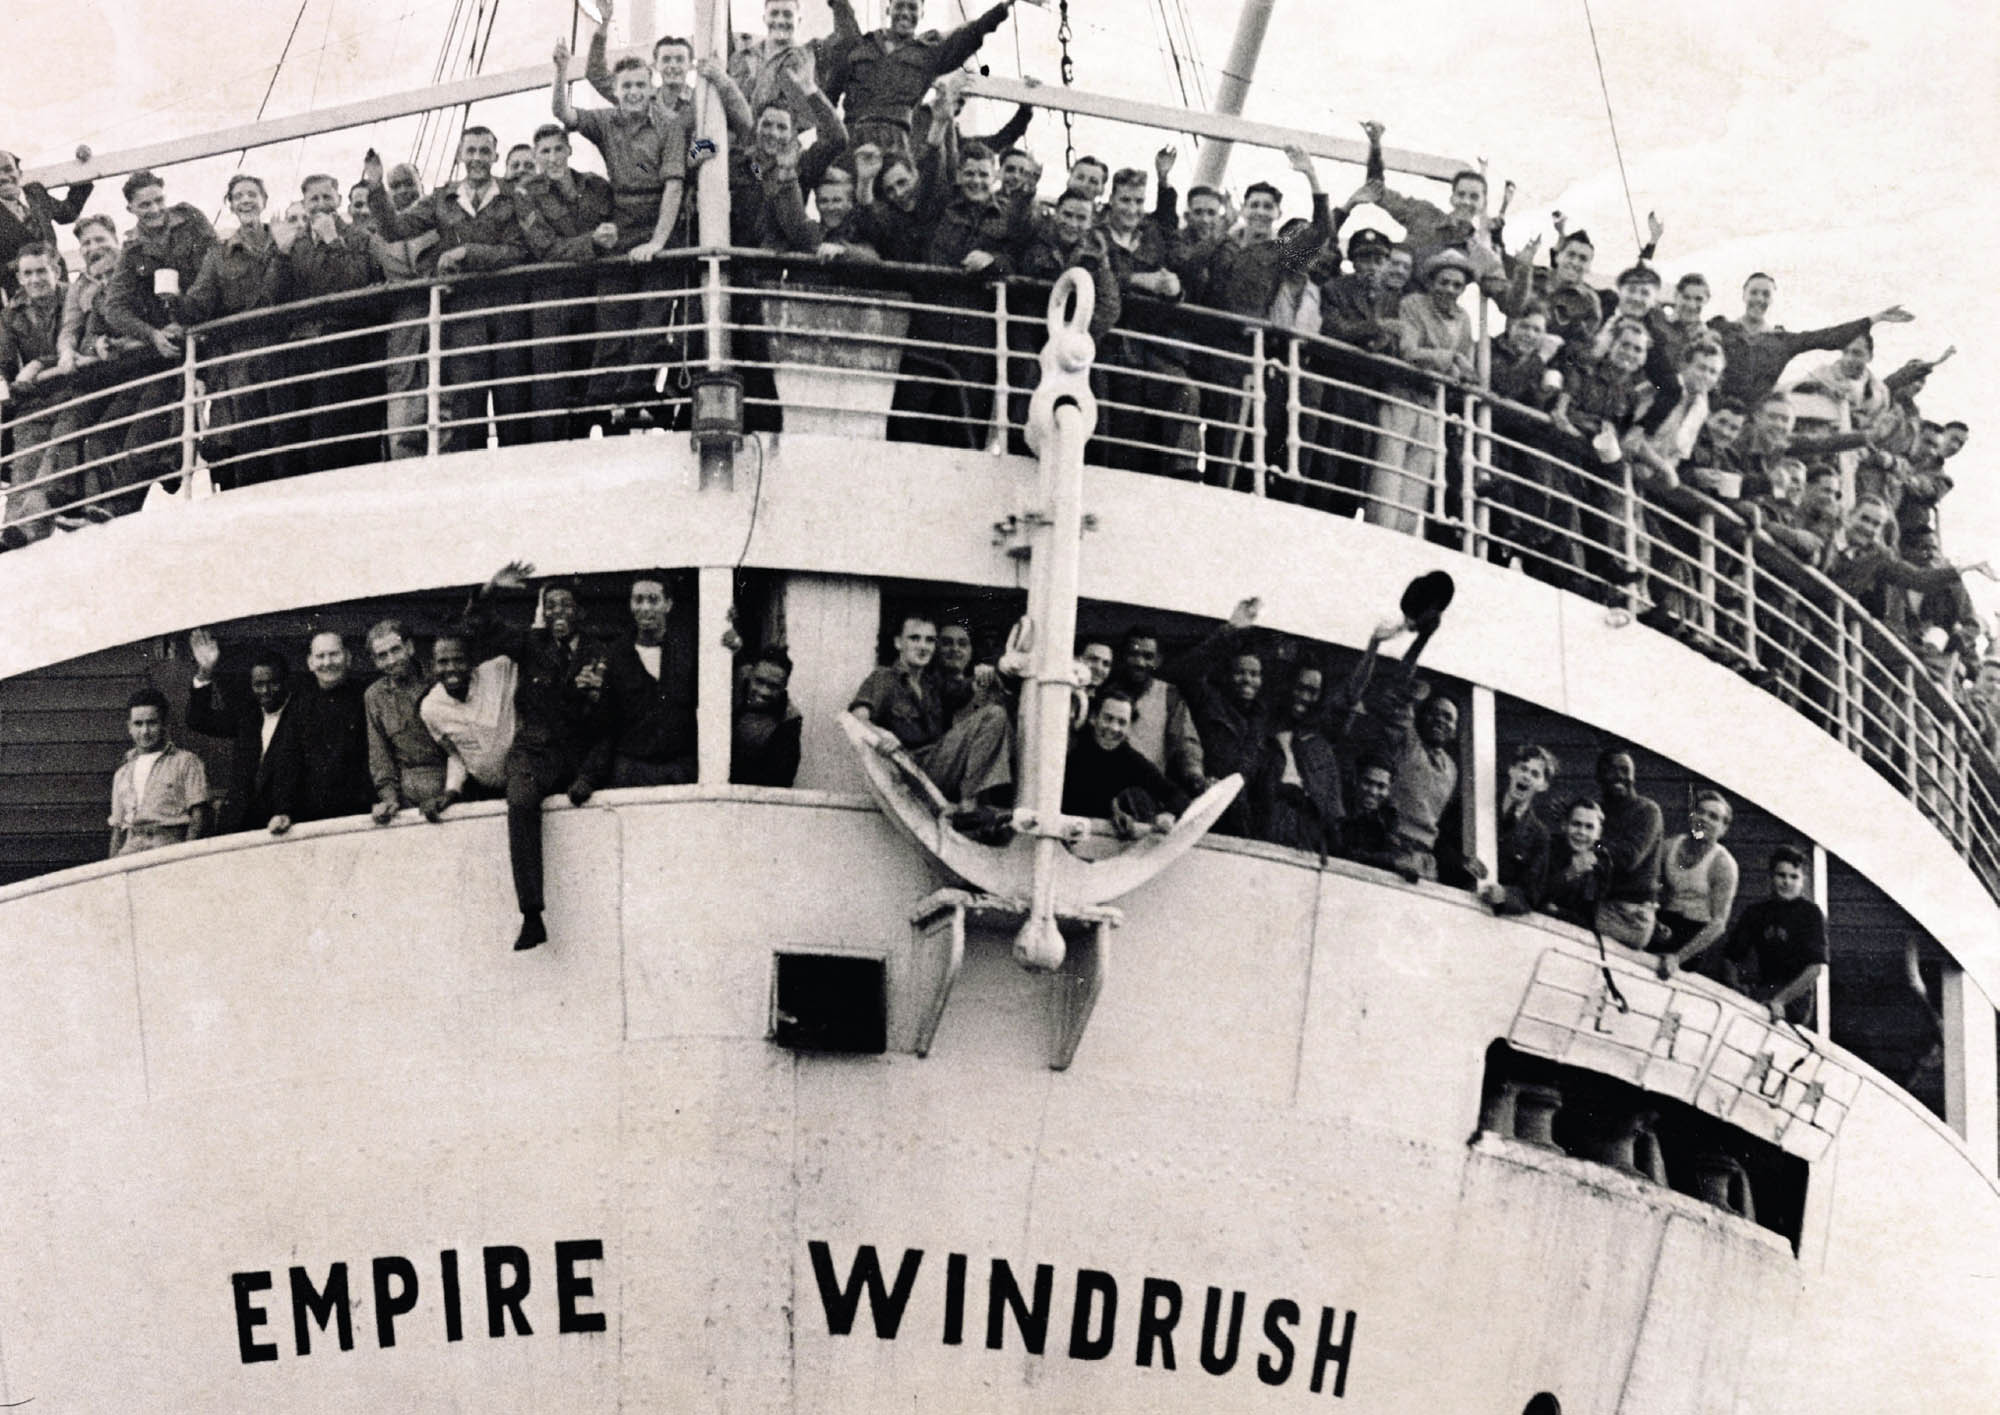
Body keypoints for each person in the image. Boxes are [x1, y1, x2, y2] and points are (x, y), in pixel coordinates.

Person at [360, 129, 533, 451]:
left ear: (496, 156)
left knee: (514, 409)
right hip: (463, 321)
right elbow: (394, 230)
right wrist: (375, 188)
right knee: (467, 415)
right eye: (471, 151)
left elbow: (520, 250)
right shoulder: (442, 199)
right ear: (460, 155)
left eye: (485, 151)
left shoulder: (514, 196)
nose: (477, 158)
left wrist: (467, 252)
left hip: (508, 317)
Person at [457, 564, 599, 952]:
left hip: (577, 753)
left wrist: (593, 698)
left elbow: (606, 720)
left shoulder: (599, 650)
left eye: (566, 605)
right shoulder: (530, 646)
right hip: (533, 752)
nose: (558, 613)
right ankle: (532, 915)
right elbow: (479, 627)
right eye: (550, 606)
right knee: (519, 801)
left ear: (579, 612)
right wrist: (489, 591)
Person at [98, 169, 218, 508]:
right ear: (131, 209)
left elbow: (213, 265)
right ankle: (118, 506)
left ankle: (167, 471)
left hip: (206, 332)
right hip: (172, 348)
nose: (154, 210)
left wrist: (185, 312)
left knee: (183, 410)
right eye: (144, 205)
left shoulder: (191, 219)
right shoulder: (133, 250)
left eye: (158, 201)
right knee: (145, 422)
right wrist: (151, 334)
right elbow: (113, 307)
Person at [180, 174, 288, 490]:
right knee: (250, 440)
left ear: (264, 201)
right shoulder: (219, 255)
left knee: (284, 433)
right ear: (230, 205)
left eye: (252, 194)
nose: (245, 201)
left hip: (283, 350)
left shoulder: (285, 240)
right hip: (243, 360)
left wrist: (283, 250)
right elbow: (199, 303)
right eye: (238, 196)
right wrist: (173, 303)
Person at [850, 610, 1014, 814]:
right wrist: (881, 734)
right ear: (898, 643)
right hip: (906, 772)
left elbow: (967, 688)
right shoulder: (884, 678)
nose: (922, 646)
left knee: (994, 714)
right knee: (993, 715)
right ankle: (969, 806)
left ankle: (970, 804)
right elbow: (857, 719)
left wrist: (986, 673)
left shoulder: (932, 684)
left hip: (933, 771)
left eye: (929, 640)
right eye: (914, 638)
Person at [513, 123, 618, 440]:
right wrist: (593, 243)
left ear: (569, 150)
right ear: (536, 156)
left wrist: (611, 235)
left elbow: (617, 222)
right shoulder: (526, 194)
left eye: (559, 149)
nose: (553, 157)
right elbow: (544, 247)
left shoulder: (597, 186)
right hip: (552, 302)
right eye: (545, 152)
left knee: (594, 381)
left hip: (594, 297)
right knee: (552, 388)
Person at [276, 173, 384, 476]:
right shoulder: (297, 244)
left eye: (327, 197)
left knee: (336, 443)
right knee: (303, 441)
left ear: (338, 200)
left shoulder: (361, 238)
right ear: (305, 203)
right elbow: (276, 295)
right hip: (305, 353)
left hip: (348, 349)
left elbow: (355, 284)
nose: (321, 204)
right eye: (314, 199)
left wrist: (334, 242)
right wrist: (280, 254)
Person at [1368, 248, 1476, 533]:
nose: (1449, 289)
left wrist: (1457, 367)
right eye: (1444, 282)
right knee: (1388, 473)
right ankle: (1378, 533)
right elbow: (1409, 351)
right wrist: (1449, 359)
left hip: (1433, 403)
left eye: (1457, 285)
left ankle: (1400, 540)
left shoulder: (1463, 320)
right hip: (1403, 395)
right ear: (1431, 282)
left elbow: (1468, 366)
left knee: (1418, 480)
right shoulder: (1413, 305)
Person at [825, 0, 1017, 160]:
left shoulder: (928, 55)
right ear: (888, 8)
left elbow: (971, 34)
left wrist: (1004, 6)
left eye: (912, 7)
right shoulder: (860, 46)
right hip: (854, 138)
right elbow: (842, 12)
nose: (905, 13)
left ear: (922, 13)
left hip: (897, 145)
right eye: (899, 5)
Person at [1706, 272, 1913, 406]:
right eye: (1754, 292)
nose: (1759, 299)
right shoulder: (1721, 328)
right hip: (1714, 408)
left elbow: (1826, 337)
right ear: (1744, 295)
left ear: (1772, 300)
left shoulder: (1782, 341)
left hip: (1755, 415)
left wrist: (1875, 319)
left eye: (1766, 294)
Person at [574, 574, 700, 790]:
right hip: (632, 771)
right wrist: (588, 777)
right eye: (638, 600)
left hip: (680, 770)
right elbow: (606, 724)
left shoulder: (689, 652)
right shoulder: (616, 656)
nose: (645, 608)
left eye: (653, 600)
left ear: (668, 605)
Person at [1162, 597, 1267, 834]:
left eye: (1254, 674)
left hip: (1237, 816)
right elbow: (1183, 673)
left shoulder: (1259, 719)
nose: (1247, 680)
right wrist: (1229, 632)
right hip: (1198, 804)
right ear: (1228, 675)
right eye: (1240, 672)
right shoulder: (1209, 700)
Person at [185, 632, 299, 834]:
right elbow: (198, 720)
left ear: (286, 682)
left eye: (273, 683)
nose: (265, 691)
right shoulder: (249, 717)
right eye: (258, 685)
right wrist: (205, 671)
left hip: (283, 824)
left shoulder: (300, 717)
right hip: (239, 824)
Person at [264, 632, 374, 835]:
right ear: (310, 662)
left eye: (334, 654)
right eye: (320, 656)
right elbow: (288, 761)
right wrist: (283, 810)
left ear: (348, 658)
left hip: (364, 815)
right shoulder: (299, 705)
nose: (327, 662)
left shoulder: (368, 696)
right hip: (313, 818)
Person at [1714, 845, 1828, 1026]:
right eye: (1781, 875)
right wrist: (1734, 986)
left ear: (1803, 880)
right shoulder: (1756, 912)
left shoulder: (1810, 913)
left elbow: (1815, 968)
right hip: (1763, 988)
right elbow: (1730, 956)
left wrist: (1780, 1001)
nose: (1787, 882)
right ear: (1771, 877)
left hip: (1795, 997)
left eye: (1794, 877)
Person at [1, 243, 70, 539]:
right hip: (35, 403)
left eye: (41, 271)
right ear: (19, 278)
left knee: (49, 467)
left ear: (55, 270)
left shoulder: (73, 297)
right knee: (23, 472)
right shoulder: (11, 314)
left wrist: (39, 363)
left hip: (73, 394)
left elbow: (79, 343)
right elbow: (3, 361)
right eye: (27, 273)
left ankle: (27, 532)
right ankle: (8, 536)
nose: (35, 279)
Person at [1245, 659, 1346, 858]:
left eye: (1312, 691)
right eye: (1299, 687)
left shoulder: (1321, 748)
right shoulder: (1260, 731)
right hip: (1260, 836)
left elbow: (1332, 812)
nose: (1304, 697)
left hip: (1306, 845)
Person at [1061, 686, 1188, 839]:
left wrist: (1168, 814)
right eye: (1108, 719)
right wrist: (1112, 809)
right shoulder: (1071, 748)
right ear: (1093, 718)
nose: (1114, 728)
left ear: (1129, 728)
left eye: (1122, 722)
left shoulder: (1130, 760)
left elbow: (1178, 796)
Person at [418, 629, 518, 820]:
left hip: (524, 781)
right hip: (484, 791)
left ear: (472, 662)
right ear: (432, 666)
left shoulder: (498, 671)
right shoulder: (430, 708)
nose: (451, 668)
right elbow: (456, 754)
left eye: (459, 660)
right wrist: (451, 790)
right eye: (443, 662)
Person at [107, 688, 211, 858]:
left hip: (169, 848)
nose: (145, 731)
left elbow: (199, 816)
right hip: (131, 850)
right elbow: (118, 829)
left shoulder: (186, 762)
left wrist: (187, 857)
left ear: (164, 724)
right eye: (138, 724)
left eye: (152, 723)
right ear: (129, 727)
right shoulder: (122, 774)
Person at [363, 620, 447, 823]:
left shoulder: (438, 680)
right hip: (407, 796)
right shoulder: (375, 696)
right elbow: (380, 756)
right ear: (375, 661)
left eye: (396, 650)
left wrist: (450, 793)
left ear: (409, 648)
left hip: (449, 789)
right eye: (382, 656)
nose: (391, 660)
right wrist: (390, 799)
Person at [1107, 624, 1204, 798]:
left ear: (1158, 660)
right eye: (1133, 654)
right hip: (1106, 789)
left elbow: (1186, 743)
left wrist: (1195, 774)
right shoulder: (1105, 692)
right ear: (1123, 656)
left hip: (1148, 795)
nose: (1140, 662)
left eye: (1148, 656)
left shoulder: (1169, 695)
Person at [1650, 790, 1741, 971]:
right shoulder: (1670, 846)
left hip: (1695, 933)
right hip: (1664, 922)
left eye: (1713, 817)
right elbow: (1650, 886)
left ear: (1723, 828)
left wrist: (1678, 958)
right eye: (1700, 812)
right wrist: (1653, 921)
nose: (1704, 819)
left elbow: (1718, 923)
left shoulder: (1723, 864)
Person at [0, 146, 94, 301]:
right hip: (22, 297)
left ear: (19, 173)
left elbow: (68, 213)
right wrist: (17, 265)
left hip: (59, 285)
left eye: (8, 169)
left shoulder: (35, 193)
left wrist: (85, 171)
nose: (3, 177)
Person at [1592, 749, 1663, 947]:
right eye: (1611, 770)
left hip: (1630, 914)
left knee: (1564, 922)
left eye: (1625, 770)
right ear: (1598, 777)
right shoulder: (1597, 811)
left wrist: (1592, 840)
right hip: (1603, 906)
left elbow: (1628, 858)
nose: (1619, 776)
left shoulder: (1647, 810)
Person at [1477, 744, 1556, 915]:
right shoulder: (1475, 805)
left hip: (1496, 918)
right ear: (1511, 770)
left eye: (1535, 774)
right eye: (1523, 768)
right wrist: (1464, 863)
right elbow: (1445, 845)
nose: (1526, 776)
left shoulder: (1539, 836)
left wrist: (1505, 895)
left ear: (1543, 785)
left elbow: (1531, 894)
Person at [732, 645, 803, 787]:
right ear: (749, 675)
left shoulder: (788, 722)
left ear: (784, 686)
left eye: (773, 686)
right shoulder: (732, 691)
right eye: (759, 681)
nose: (764, 691)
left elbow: (779, 781)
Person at [1539, 796, 1608, 930]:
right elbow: (1534, 895)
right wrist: (1569, 873)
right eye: (1576, 824)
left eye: (1589, 827)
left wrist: (1557, 912)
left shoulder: (1601, 864)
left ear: (1598, 833)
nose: (1581, 832)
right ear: (1564, 825)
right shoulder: (1547, 848)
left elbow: (1591, 917)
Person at [1333, 752, 1407, 875]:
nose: (1373, 791)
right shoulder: (1339, 807)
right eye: (1367, 782)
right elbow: (1342, 852)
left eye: (1381, 786)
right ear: (1355, 780)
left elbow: (1393, 854)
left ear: (1389, 790)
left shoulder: (1388, 817)